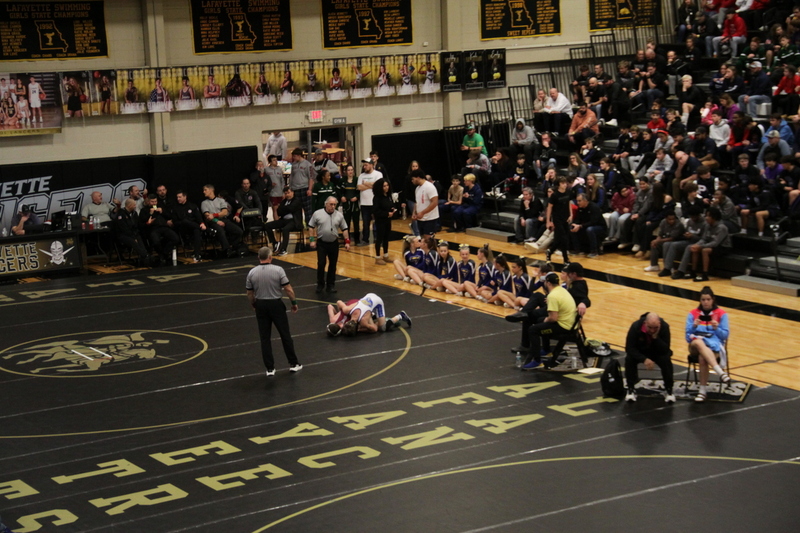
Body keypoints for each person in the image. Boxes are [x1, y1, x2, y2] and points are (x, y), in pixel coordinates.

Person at [246, 246, 302, 377]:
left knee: (264, 338)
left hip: (261, 305)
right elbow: (288, 289)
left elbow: (249, 292)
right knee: (285, 334)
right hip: (276, 304)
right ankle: (293, 364)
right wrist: (293, 303)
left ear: (259, 257)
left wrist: (254, 304)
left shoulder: (252, 273)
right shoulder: (278, 270)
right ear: (270, 257)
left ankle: (270, 368)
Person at [520, 272, 578, 370]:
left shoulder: (552, 296)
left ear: (548, 283)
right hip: (571, 323)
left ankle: (537, 360)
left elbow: (553, 318)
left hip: (564, 327)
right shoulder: (561, 290)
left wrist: (545, 320)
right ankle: (546, 349)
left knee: (533, 330)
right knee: (539, 320)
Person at [686, 286, 731, 402]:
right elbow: (687, 336)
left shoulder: (722, 314)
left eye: (708, 299)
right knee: (699, 342)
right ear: (700, 300)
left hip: (713, 345)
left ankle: (702, 391)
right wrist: (694, 326)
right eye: (703, 299)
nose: (705, 302)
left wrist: (716, 329)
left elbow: (725, 336)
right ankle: (720, 372)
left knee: (702, 358)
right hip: (695, 345)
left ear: (713, 300)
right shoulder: (692, 314)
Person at [624, 312, 675, 403]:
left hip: (657, 352)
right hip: (641, 352)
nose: (652, 330)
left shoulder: (664, 327)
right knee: (629, 359)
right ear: (645, 323)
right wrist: (644, 359)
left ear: (659, 324)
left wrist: (656, 338)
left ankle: (669, 390)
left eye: (655, 328)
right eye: (650, 327)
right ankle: (631, 389)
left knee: (666, 359)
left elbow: (665, 349)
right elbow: (629, 348)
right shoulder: (636, 327)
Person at [308, 196, 351, 294]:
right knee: (321, 263)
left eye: (334, 205)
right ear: (326, 204)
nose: (333, 206)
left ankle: (331, 285)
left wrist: (347, 242)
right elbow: (311, 227)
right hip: (322, 243)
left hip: (334, 243)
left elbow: (344, 229)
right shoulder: (317, 213)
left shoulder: (339, 215)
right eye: (331, 204)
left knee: (333, 265)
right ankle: (320, 284)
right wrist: (312, 240)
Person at [335, 293, 411, 336]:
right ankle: (377, 317)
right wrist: (342, 314)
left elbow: (375, 329)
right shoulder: (347, 310)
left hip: (378, 302)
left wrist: (361, 329)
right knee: (371, 318)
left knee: (382, 328)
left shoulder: (363, 321)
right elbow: (339, 302)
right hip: (369, 295)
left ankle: (401, 315)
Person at [201, 184, 244, 257]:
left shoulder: (221, 200)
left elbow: (225, 212)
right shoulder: (204, 203)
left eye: (205, 190)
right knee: (220, 231)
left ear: (211, 190)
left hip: (223, 219)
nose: (204, 192)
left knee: (238, 231)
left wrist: (214, 215)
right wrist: (216, 220)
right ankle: (226, 249)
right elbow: (207, 216)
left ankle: (231, 246)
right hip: (213, 222)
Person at [139, 196, 180, 264]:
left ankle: (164, 253)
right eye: (152, 202)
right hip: (153, 229)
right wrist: (150, 214)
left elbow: (169, 216)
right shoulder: (144, 210)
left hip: (164, 227)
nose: (154, 203)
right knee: (156, 241)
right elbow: (142, 222)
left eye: (155, 201)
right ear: (148, 202)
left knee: (175, 238)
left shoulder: (161, 208)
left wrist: (162, 212)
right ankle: (161, 255)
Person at [264, 186, 303, 256]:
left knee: (285, 229)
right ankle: (274, 243)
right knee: (267, 225)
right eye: (285, 193)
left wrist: (283, 209)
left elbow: (291, 208)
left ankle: (283, 249)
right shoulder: (284, 201)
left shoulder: (297, 200)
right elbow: (278, 212)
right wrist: (284, 209)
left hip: (293, 221)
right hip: (283, 220)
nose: (287, 195)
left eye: (288, 193)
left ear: (292, 192)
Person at [112, 198, 151, 267]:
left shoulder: (134, 213)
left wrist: (135, 234)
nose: (135, 206)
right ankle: (144, 255)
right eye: (134, 205)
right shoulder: (121, 214)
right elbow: (124, 229)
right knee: (133, 241)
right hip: (123, 235)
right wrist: (133, 237)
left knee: (139, 238)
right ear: (129, 205)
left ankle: (145, 255)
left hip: (133, 233)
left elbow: (136, 225)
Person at [172, 190, 207, 263]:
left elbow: (198, 216)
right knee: (185, 221)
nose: (178, 199)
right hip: (182, 228)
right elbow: (175, 222)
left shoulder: (192, 205)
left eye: (180, 197)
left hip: (193, 227)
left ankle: (197, 254)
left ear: (185, 197)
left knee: (196, 231)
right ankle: (208, 230)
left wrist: (202, 223)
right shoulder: (175, 208)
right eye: (177, 197)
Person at [356, 157, 383, 246]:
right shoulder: (361, 175)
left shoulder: (378, 174)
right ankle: (365, 239)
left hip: (375, 203)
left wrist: (366, 184)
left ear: (371, 165)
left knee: (378, 222)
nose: (365, 167)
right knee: (365, 223)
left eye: (366, 165)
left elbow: (379, 186)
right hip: (364, 203)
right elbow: (359, 187)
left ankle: (378, 239)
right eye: (364, 165)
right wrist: (372, 185)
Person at [545, 176, 572, 264]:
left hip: (566, 217)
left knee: (558, 239)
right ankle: (565, 259)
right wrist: (548, 221)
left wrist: (571, 215)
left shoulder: (568, 192)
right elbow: (549, 208)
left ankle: (550, 251)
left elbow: (569, 204)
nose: (565, 185)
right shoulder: (554, 195)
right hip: (557, 218)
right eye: (562, 183)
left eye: (565, 183)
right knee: (564, 238)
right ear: (558, 185)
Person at [570, 193, 607, 257]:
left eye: (579, 201)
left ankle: (594, 251)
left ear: (585, 200)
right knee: (572, 227)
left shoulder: (594, 207)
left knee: (590, 229)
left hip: (600, 227)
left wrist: (581, 226)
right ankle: (577, 249)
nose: (578, 203)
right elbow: (578, 219)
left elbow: (594, 221)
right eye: (577, 201)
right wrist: (575, 224)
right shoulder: (580, 208)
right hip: (586, 225)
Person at [372, 177, 396, 265]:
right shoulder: (377, 198)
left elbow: (389, 205)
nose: (386, 187)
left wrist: (392, 209)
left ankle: (386, 255)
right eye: (384, 186)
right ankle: (377, 257)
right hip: (380, 221)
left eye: (387, 185)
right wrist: (386, 214)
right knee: (379, 238)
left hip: (387, 221)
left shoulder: (388, 196)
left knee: (386, 238)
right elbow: (376, 211)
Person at [289, 147, 315, 223]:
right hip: (295, 189)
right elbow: (291, 176)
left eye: (294, 156)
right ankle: (298, 224)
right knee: (297, 209)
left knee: (307, 209)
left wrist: (310, 189)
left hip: (304, 188)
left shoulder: (307, 164)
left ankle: (309, 225)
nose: (293, 158)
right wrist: (290, 188)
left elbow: (311, 177)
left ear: (299, 155)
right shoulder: (293, 165)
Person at [411, 169, 440, 236]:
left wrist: (422, 213)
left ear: (418, 177)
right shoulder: (417, 188)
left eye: (413, 179)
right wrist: (414, 212)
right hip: (421, 219)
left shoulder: (429, 187)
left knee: (428, 240)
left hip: (430, 219)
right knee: (422, 240)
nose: (412, 181)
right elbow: (417, 202)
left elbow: (434, 202)